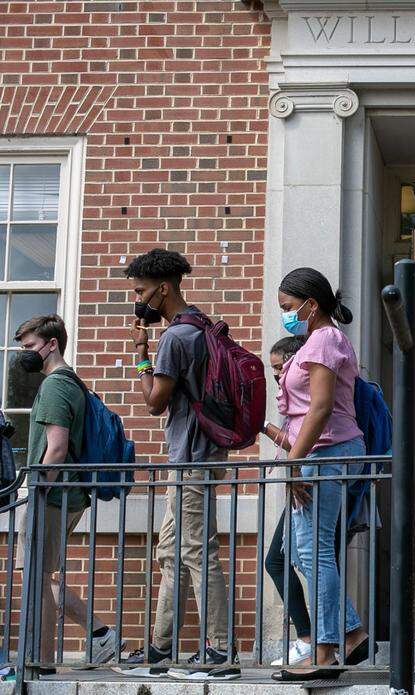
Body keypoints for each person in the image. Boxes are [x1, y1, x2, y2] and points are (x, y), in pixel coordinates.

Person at [116, 249, 237, 680]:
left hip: (191, 460)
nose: (139, 299)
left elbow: (154, 402)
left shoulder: (176, 338)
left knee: (197, 552)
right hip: (195, 458)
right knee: (171, 550)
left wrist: (140, 354)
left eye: (141, 291)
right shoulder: (201, 326)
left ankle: (221, 652)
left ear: (163, 289)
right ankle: (161, 647)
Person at [270, 268, 372, 682]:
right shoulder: (318, 340)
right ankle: (351, 634)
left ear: (312, 306)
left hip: (327, 452)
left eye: (289, 308)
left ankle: (326, 651)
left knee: (313, 551)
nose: (286, 316)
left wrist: (294, 462)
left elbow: (321, 407)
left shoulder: (325, 339)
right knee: (302, 551)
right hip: (320, 452)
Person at [15, 315, 118, 672]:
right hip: (63, 493)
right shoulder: (69, 383)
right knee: (38, 576)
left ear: (52, 344)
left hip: (53, 494)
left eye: (29, 347)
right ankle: (101, 634)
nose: (24, 354)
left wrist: (39, 491)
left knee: (37, 579)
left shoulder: (57, 386)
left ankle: (38, 662)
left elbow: (56, 447)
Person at [260, 336, 322, 666]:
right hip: (304, 480)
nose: (276, 376)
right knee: (288, 560)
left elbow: (308, 443)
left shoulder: (311, 395)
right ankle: (314, 638)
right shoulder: (301, 397)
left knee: (288, 560)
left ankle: (314, 639)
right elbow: (296, 442)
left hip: (310, 482)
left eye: (278, 368)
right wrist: (265, 427)